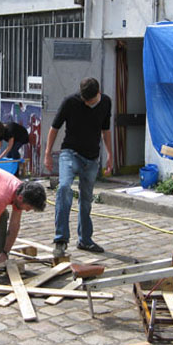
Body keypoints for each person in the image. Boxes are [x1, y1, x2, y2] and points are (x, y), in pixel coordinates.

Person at [43, 77, 113, 257]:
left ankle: (85, 240)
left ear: (98, 93)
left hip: (92, 159)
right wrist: (47, 153)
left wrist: (110, 155)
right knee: (64, 188)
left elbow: (105, 130)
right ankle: (60, 240)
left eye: (90, 100)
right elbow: (54, 128)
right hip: (70, 153)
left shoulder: (106, 102)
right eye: (85, 100)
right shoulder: (70, 102)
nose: (87, 103)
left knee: (86, 200)